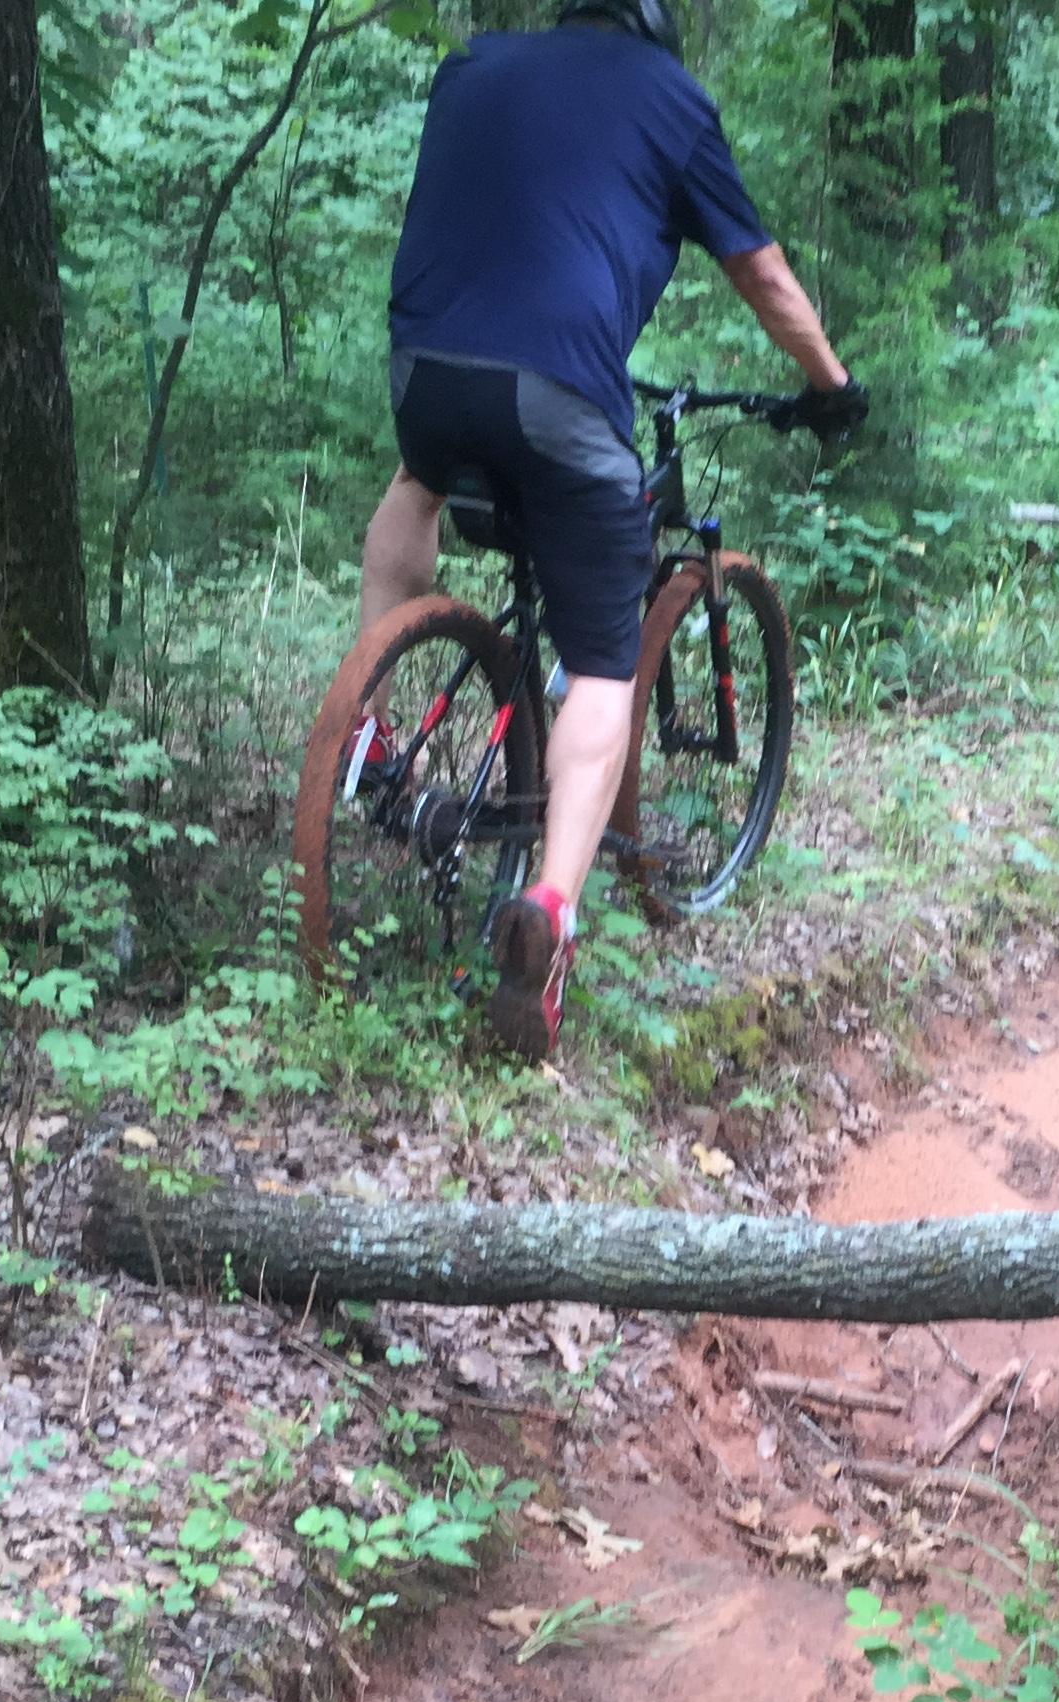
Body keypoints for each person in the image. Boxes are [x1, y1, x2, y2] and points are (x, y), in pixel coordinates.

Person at [357, 0, 866, 1059]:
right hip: (558, 394)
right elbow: (763, 275)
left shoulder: (475, 65)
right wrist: (832, 385)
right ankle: (550, 911)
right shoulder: (671, 101)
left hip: (425, 376)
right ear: (654, 30)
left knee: (416, 486)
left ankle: (369, 738)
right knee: (601, 662)